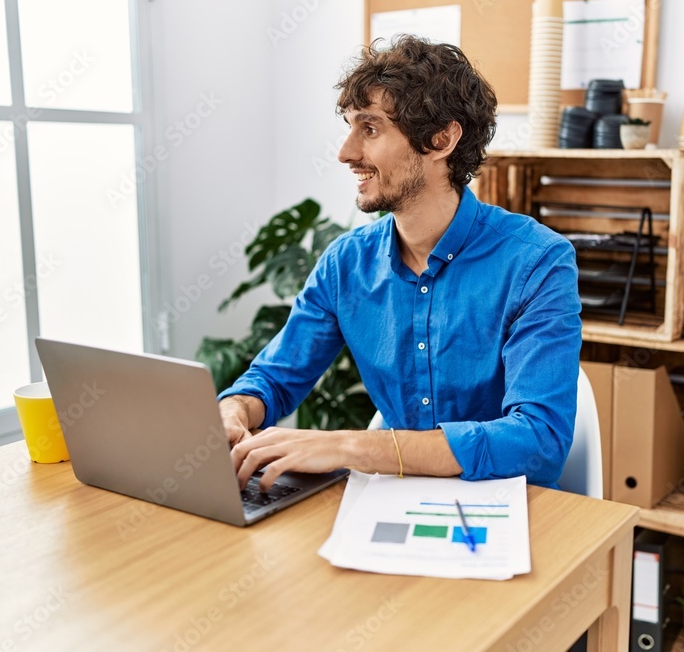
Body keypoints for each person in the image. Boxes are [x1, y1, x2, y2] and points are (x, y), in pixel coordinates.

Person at [219, 35, 581, 491]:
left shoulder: (537, 262)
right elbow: (274, 378)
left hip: (503, 507)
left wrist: (354, 448)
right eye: (350, 127)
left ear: (442, 139)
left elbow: (538, 441)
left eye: (369, 129)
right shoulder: (345, 264)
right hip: (391, 503)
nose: (346, 153)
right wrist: (235, 411)